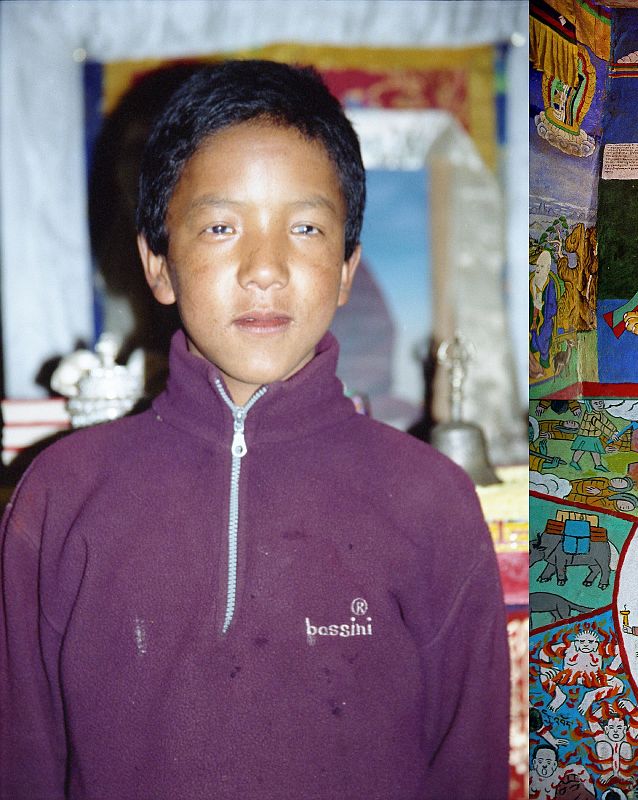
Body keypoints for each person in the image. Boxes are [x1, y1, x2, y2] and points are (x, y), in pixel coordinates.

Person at [0, 61, 507, 799]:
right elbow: (23, 759)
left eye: (304, 227)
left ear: (344, 268)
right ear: (159, 264)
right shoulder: (62, 495)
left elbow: (468, 770)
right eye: (220, 226)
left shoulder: (431, 500)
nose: (264, 268)